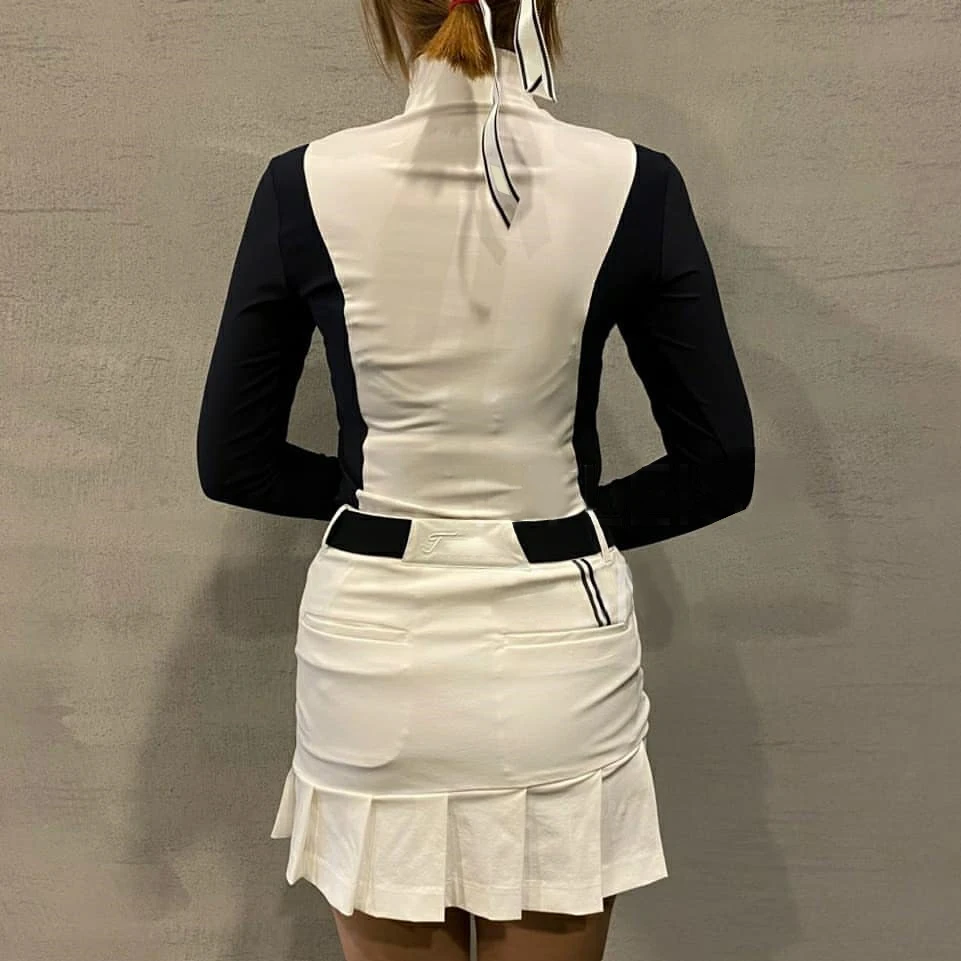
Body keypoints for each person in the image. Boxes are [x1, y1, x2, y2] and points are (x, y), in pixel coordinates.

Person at [195, 0, 756, 957]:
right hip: (553, 649)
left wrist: (380, 496)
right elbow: (718, 463)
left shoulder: (304, 184)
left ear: (387, 11)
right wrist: (562, 518)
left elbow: (234, 458)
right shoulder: (632, 182)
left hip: (371, 654)